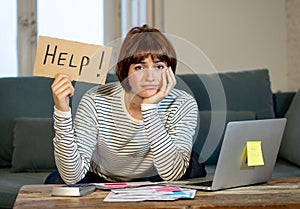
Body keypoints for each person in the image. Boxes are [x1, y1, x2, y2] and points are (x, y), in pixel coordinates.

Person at [45, 24, 206, 185]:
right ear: (125, 72)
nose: (150, 77)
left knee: (194, 165)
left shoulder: (182, 102)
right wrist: (62, 110)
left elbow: (172, 175)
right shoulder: (95, 99)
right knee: (56, 181)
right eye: (139, 67)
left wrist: (149, 109)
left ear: (170, 71)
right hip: (102, 176)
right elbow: (72, 176)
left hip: (156, 176)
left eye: (159, 66)